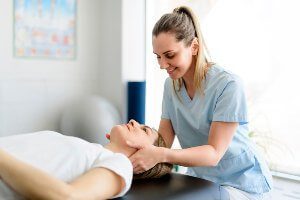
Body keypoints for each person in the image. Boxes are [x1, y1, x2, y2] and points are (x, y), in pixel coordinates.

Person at [125, 6, 273, 200]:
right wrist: (129, 152)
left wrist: (159, 154)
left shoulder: (228, 85)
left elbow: (213, 154)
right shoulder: (171, 86)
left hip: (241, 181)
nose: (162, 65)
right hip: (202, 178)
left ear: (194, 46)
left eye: (169, 55)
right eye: (158, 57)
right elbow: (163, 142)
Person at [0, 120, 172, 200]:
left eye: (144, 130)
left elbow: (69, 196)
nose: (134, 122)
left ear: (148, 154)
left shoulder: (120, 164)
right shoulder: (91, 150)